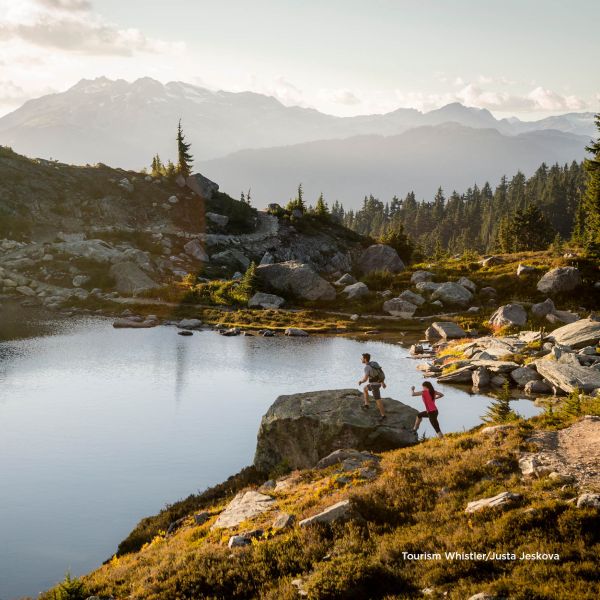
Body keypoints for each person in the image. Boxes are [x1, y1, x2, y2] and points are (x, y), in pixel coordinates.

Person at [358, 353, 387, 420]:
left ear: (365, 359)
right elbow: (380, 373)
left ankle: (383, 416)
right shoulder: (374, 363)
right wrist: (382, 383)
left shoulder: (367, 367)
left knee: (378, 400)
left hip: (374, 385)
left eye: (362, 358)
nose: (361, 359)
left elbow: (365, 379)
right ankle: (367, 404)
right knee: (365, 389)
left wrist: (360, 381)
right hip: (377, 383)